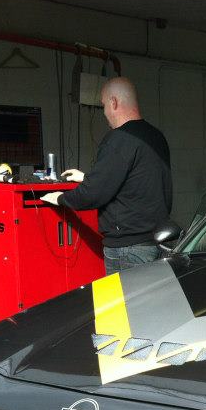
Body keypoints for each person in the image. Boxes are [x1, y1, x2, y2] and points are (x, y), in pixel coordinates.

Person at [41, 77, 172, 274]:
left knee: (125, 304)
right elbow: (135, 182)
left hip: (128, 249)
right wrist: (86, 177)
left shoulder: (119, 139)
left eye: (103, 105)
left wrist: (59, 198)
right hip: (157, 242)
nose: (104, 113)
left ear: (114, 102)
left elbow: (93, 194)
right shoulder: (155, 136)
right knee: (146, 304)